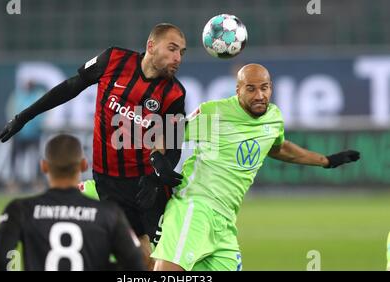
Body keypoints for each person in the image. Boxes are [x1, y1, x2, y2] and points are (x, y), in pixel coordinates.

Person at [0, 24, 187, 267]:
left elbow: (172, 147)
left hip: (144, 187)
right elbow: (71, 87)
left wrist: (157, 177)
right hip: (107, 182)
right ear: (151, 46)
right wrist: (24, 116)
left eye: (182, 52)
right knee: (132, 257)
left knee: (154, 260)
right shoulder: (113, 60)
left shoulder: (174, 93)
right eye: (172, 49)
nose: (177, 58)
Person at [152, 64, 361, 271]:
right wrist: (157, 159)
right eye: (251, 88)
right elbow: (168, 134)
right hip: (196, 207)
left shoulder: (273, 118)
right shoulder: (215, 112)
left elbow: (278, 148)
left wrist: (326, 161)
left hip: (225, 222)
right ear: (238, 90)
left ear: (271, 88)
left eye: (264, 87)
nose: (259, 95)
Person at [0, 134, 145, 271]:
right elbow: (136, 266)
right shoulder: (110, 214)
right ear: (83, 165)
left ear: (44, 166)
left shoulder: (19, 210)